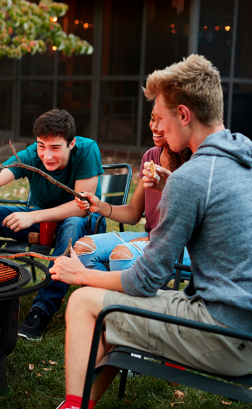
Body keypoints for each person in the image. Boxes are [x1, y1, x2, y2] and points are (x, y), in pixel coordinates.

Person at [50, 54, 252, 409]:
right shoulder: (241, 157)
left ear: (184, 115)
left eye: (161, 117)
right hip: (241, 321)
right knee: (112, 311)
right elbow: (213, 200)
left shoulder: (192, 179)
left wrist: (81, 274)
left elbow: (143, 281)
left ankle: (74, 406)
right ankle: (79, 404)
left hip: (225, 336)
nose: (158, 127)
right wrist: (173, 182)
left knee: (84, 302)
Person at [0, 109, 104, 340]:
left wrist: (33, 216)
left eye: (55, 148)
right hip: (42, 223)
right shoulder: (30, 155)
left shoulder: (88, 150)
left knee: (72, 225)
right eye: (41, 146)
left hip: (83, 225)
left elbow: (82, 206)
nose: (47, 155)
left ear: (71, 144)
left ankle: (42, 310)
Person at [72, 104, 192, 273]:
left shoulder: (194, 161)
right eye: (152, 119)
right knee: (84, 249)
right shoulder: (151, 156)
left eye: (162, 121)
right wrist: (99, 206)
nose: (154, 127)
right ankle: (108, 297)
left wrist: (170, 188)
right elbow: (134, 212)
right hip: (153, 238)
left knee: (122, 256)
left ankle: (129, 296)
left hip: (185, 248)